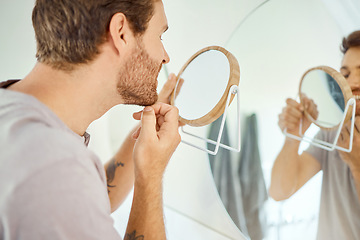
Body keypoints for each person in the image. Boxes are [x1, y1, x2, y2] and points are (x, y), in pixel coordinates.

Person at [0, 0, 182, 239]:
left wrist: (146, 135)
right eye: (160, 36)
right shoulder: (54, 167)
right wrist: (151, 176)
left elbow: (84, 199)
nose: (165, 57)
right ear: (121, 33)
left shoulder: (13, 107)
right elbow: (62, 183)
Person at [269, 30, 360, 239]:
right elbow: (279, 191)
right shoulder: (332, 132)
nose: (352, 82)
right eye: (345, 74)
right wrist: (293, 136)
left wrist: (356, 165)